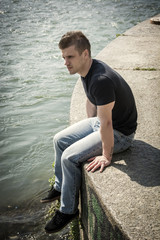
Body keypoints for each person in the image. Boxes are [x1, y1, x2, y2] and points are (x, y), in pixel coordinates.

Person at [41, 31, 137, 233]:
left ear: (85, 54)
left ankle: (68, 211)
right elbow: (91, 100)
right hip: (102, 122)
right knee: (59, 139)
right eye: (63, 57)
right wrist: (86, 130)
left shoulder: (101, 79)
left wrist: (106, 155)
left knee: (69, 157)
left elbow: (108, 124)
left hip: (120, 133)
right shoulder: (87, 70)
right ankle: (60, 187)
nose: (65, 62)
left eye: (70, 57)